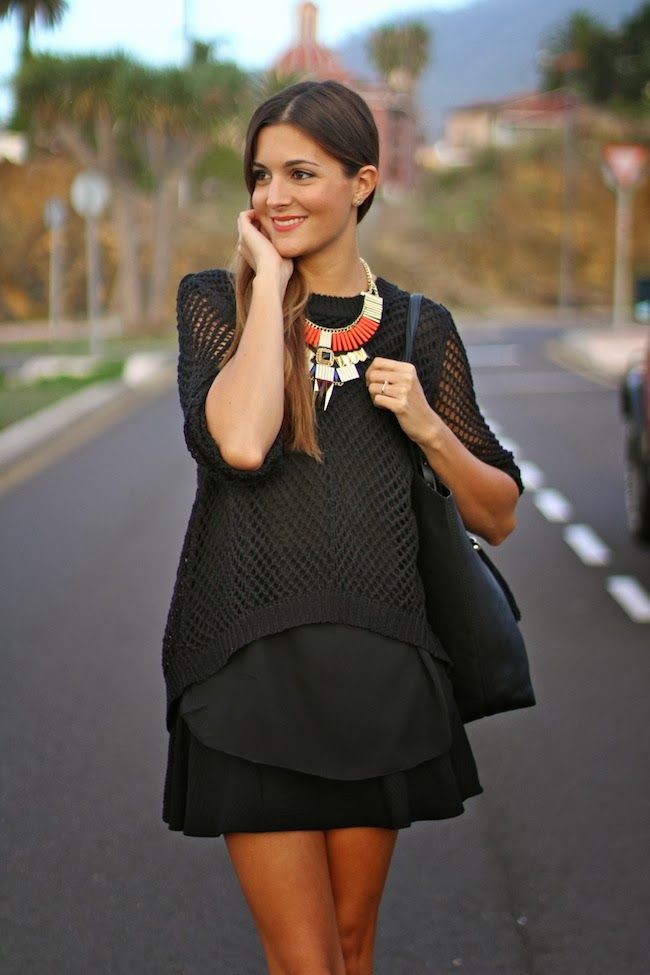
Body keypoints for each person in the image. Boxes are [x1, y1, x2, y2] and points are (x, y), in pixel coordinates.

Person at [162, 80, 522, 975]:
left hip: (379, 668)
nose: (273, 195)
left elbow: (498, 512)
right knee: (307, 963)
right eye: (260, 175)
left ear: (363, 182)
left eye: (301, 173)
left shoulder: (418, 327)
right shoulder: (216, 304)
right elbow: (242, 442)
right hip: (246, 664)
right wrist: (269, 285)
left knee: (354, 949)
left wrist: (429, 427)